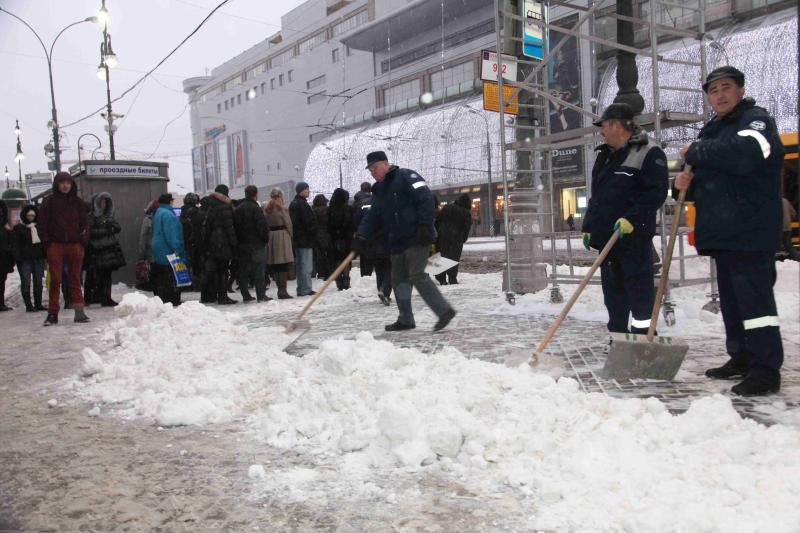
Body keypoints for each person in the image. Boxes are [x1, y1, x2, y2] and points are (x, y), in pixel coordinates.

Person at [674, 66, 785, 396]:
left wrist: (695, 152)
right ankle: (741, 357)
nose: (719, 95)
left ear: (740, 90)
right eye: (713, 90)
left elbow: (746, 156)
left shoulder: (756, 121)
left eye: (726, 88)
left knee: (756, 306)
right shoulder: (712, 131)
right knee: (735, 303)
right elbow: (703, 176)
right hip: (725, 233)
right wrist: (685, 183)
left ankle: (766, 370)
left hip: (750, 231)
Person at [581, 102, 668, 336]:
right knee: (614, 296)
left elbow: (655, 193)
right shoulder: (604, 156)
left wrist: (633, 219)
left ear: (618, 125)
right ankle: (618, 338)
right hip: (607, 241)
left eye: (605, 126)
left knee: (639, 294)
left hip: (634, 240)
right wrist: (588, 226)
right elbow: (597, 197)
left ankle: (642, 339)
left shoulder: (649, 152)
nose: (602, 131)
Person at [354, 151, 456, 331]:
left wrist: (425, 224)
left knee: (417, 274)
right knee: (398, 278)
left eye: (375, 167)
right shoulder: (379, 189)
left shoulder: (407, 176)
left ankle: (444, 310)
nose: (372, 172)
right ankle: (405, 318)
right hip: (396, 240)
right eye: (370, 170)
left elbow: (425, 198)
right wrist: (361, 234)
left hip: (417, 235)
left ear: (386, 163)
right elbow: (374, 215)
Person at [38, 171, 90, 325]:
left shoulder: (78, 202)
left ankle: (79, 312)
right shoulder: (49, 201)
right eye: (62, 182)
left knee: (75, 279)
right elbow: (42, 224)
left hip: (75, 245)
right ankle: (53, 313)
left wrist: (82, 241)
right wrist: (47, 242)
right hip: (55, 244)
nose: (66, 185)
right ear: (57, 184)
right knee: (55, 280)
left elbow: (85, 224)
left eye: (68, 182)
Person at [85, 192, 126, 307]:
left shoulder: (108, 216)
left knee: (107, 275)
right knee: (94, 275)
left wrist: (110, 226)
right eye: (102, 202)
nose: (104, 204)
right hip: (97, 251)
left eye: (105, 202)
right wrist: (106, 230)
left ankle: (106, 297)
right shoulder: (91, 217)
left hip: (108, 250)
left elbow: (117, 227)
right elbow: (90, 233)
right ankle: (92, 297)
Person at [234, 185, 271, 302]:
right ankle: (261, 295)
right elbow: (262, 226)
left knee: (244, 271)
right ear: (256, 194)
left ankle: (245, 295)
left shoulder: (238, 209)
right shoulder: (256, 208)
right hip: (257, 244)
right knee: (259, 270)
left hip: (242, 244)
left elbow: (235, 227)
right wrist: (265, 239)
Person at [203, 184, 238, 305]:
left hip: (213, 242)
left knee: (217, 270)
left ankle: (220, 295)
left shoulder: (210, 206)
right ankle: (223, 297)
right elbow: (229, 227)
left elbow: (207, 227)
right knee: (223, 270)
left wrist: (207, 244)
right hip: (223, 242)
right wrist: (234, 242)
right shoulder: (225, 206)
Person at [150, 194, 185, 306]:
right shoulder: (169, 215)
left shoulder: (158, 213)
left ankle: (163, 298)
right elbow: (172, 235)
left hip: (158, 250)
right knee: (171, 276)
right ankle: (171, 299)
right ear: (170, 202)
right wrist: (177, 249)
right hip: (168, 250)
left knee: (162, 277)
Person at [12, 204, 47, 312]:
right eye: (28, 215)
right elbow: (16, 244)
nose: (30, 217)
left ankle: (38, 304)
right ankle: (29, 305)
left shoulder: (39, 227)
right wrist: (18, 258)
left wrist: (45, 255)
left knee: (38, 282)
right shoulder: (19, 228)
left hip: (38, 258)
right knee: (26, 282)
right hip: (25, 260)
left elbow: (43, 242)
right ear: (25, 216)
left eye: (33, 215)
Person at [434, 193, 472, 285]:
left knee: (441, 255)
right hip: (457, 237)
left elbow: (438, 220)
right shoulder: (466, 213)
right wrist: (463, 238)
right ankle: (452, 278)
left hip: (442, 236)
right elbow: (466, 228)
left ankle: (441, 279)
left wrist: (438, 233)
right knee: (454, 257)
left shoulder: (447, 207)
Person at [264, 188, 294, 299]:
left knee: (276, 265)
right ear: (280, 196)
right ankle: (283, 291)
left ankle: (279, 289)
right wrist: (290, 235)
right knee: (283, 264)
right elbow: (288, 224)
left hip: (272, 236)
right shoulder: (282, 209)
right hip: (282, 236)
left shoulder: (267, 209)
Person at [289, 181, 317, 296]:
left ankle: (301, 288)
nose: (308, 191)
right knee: (306, 265)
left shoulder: (294, 203)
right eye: (307, 189)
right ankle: (306, 288)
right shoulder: (302, 204)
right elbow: (308, 222)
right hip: (305, 239)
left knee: (301, 265)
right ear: (301, 191)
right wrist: (313, 230)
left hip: (298, 239)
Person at [327, 188, 354, 290]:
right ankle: (346, 280)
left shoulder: (330, 209)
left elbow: (328, 225)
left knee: (336, 260)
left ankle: (339, 281)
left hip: (334, 238)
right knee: (346, 260)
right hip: (346, 238)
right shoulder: (348, 209)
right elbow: (352, 224)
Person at [192, 196, 214, 303]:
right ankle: (209, 295)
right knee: (209, 271)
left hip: (198, 247)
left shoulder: (197, 214)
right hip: (206, 247)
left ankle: (205, 295)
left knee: (203, 271)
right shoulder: (206, 215)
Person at [136, 198, 159, 292]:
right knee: (153, 270)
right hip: (151, 251)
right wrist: (141, 255)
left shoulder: (156, 218)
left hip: (155, 250)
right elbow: (143, 237)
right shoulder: (148, 220)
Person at [352, 182, 374, 277]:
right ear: (370, 190)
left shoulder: (356, 201)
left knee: (364, 254)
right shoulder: (373, 200)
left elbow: (355, 217)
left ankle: (365, 274)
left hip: (361, 232)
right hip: (374, 232)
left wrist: (358, 229)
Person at [180, 192, 200, 284]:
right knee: (195, 263)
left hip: (184, 240)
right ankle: (195, 283)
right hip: (194, 241)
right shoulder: (196, 211)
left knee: (187, 263)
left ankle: (186, 282)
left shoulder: (182, 212)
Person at [311, 193, 332, 280]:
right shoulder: (328, 210)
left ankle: (321, 273)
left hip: (317, 235)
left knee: (319, 255)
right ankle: (328, 272)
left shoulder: (313, 211)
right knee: (328, 255)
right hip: (327, 234)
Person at [0, 200, 14, 311]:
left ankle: (1, 303)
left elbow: (10, 244)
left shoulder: (6, 229)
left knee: (2, 281)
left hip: (3, 259)